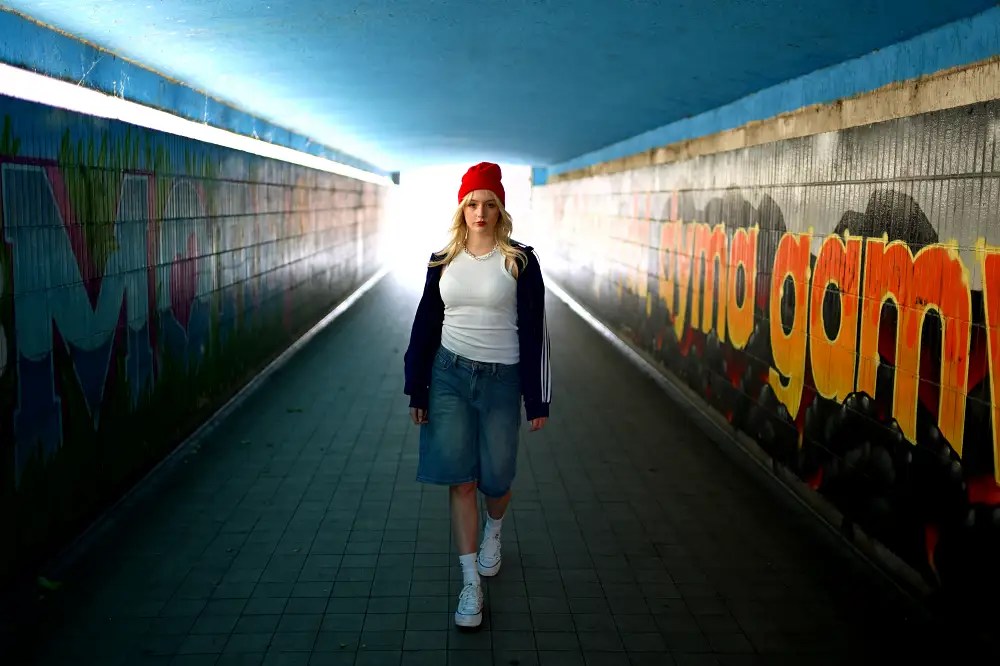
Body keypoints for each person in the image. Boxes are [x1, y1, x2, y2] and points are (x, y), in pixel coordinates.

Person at [403, 162, 551, 629]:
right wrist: (417, 387)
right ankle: (470, 582)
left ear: (500, 209)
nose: (480, 212)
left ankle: (495, 529)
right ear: (461, 209)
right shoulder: (442, 259)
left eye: (489, 203)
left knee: (497, 478)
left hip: (502, 379)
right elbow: (425, 324)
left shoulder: (520, 261)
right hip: (449, 375)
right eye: (472, 203)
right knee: (461, 479)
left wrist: (538, 398)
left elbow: (536, 331)